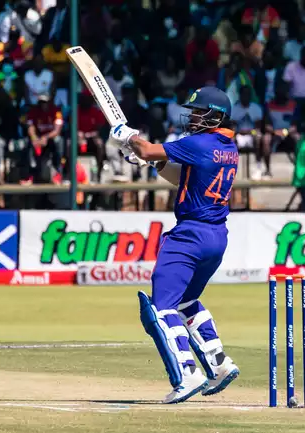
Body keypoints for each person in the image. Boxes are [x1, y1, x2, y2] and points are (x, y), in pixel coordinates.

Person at [109, 86, 240, 403]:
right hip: (217, 237)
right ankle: (219, 364)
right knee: (187, 301)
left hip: (189, 235)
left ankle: (187, 374)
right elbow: (183, 175)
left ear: (215, 114)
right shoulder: (229, 147)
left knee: (162, 305)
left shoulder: (199, 142)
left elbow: (151, 150)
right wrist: (148, 159)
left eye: (199, 111)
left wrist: (129, 137)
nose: (193, 116)